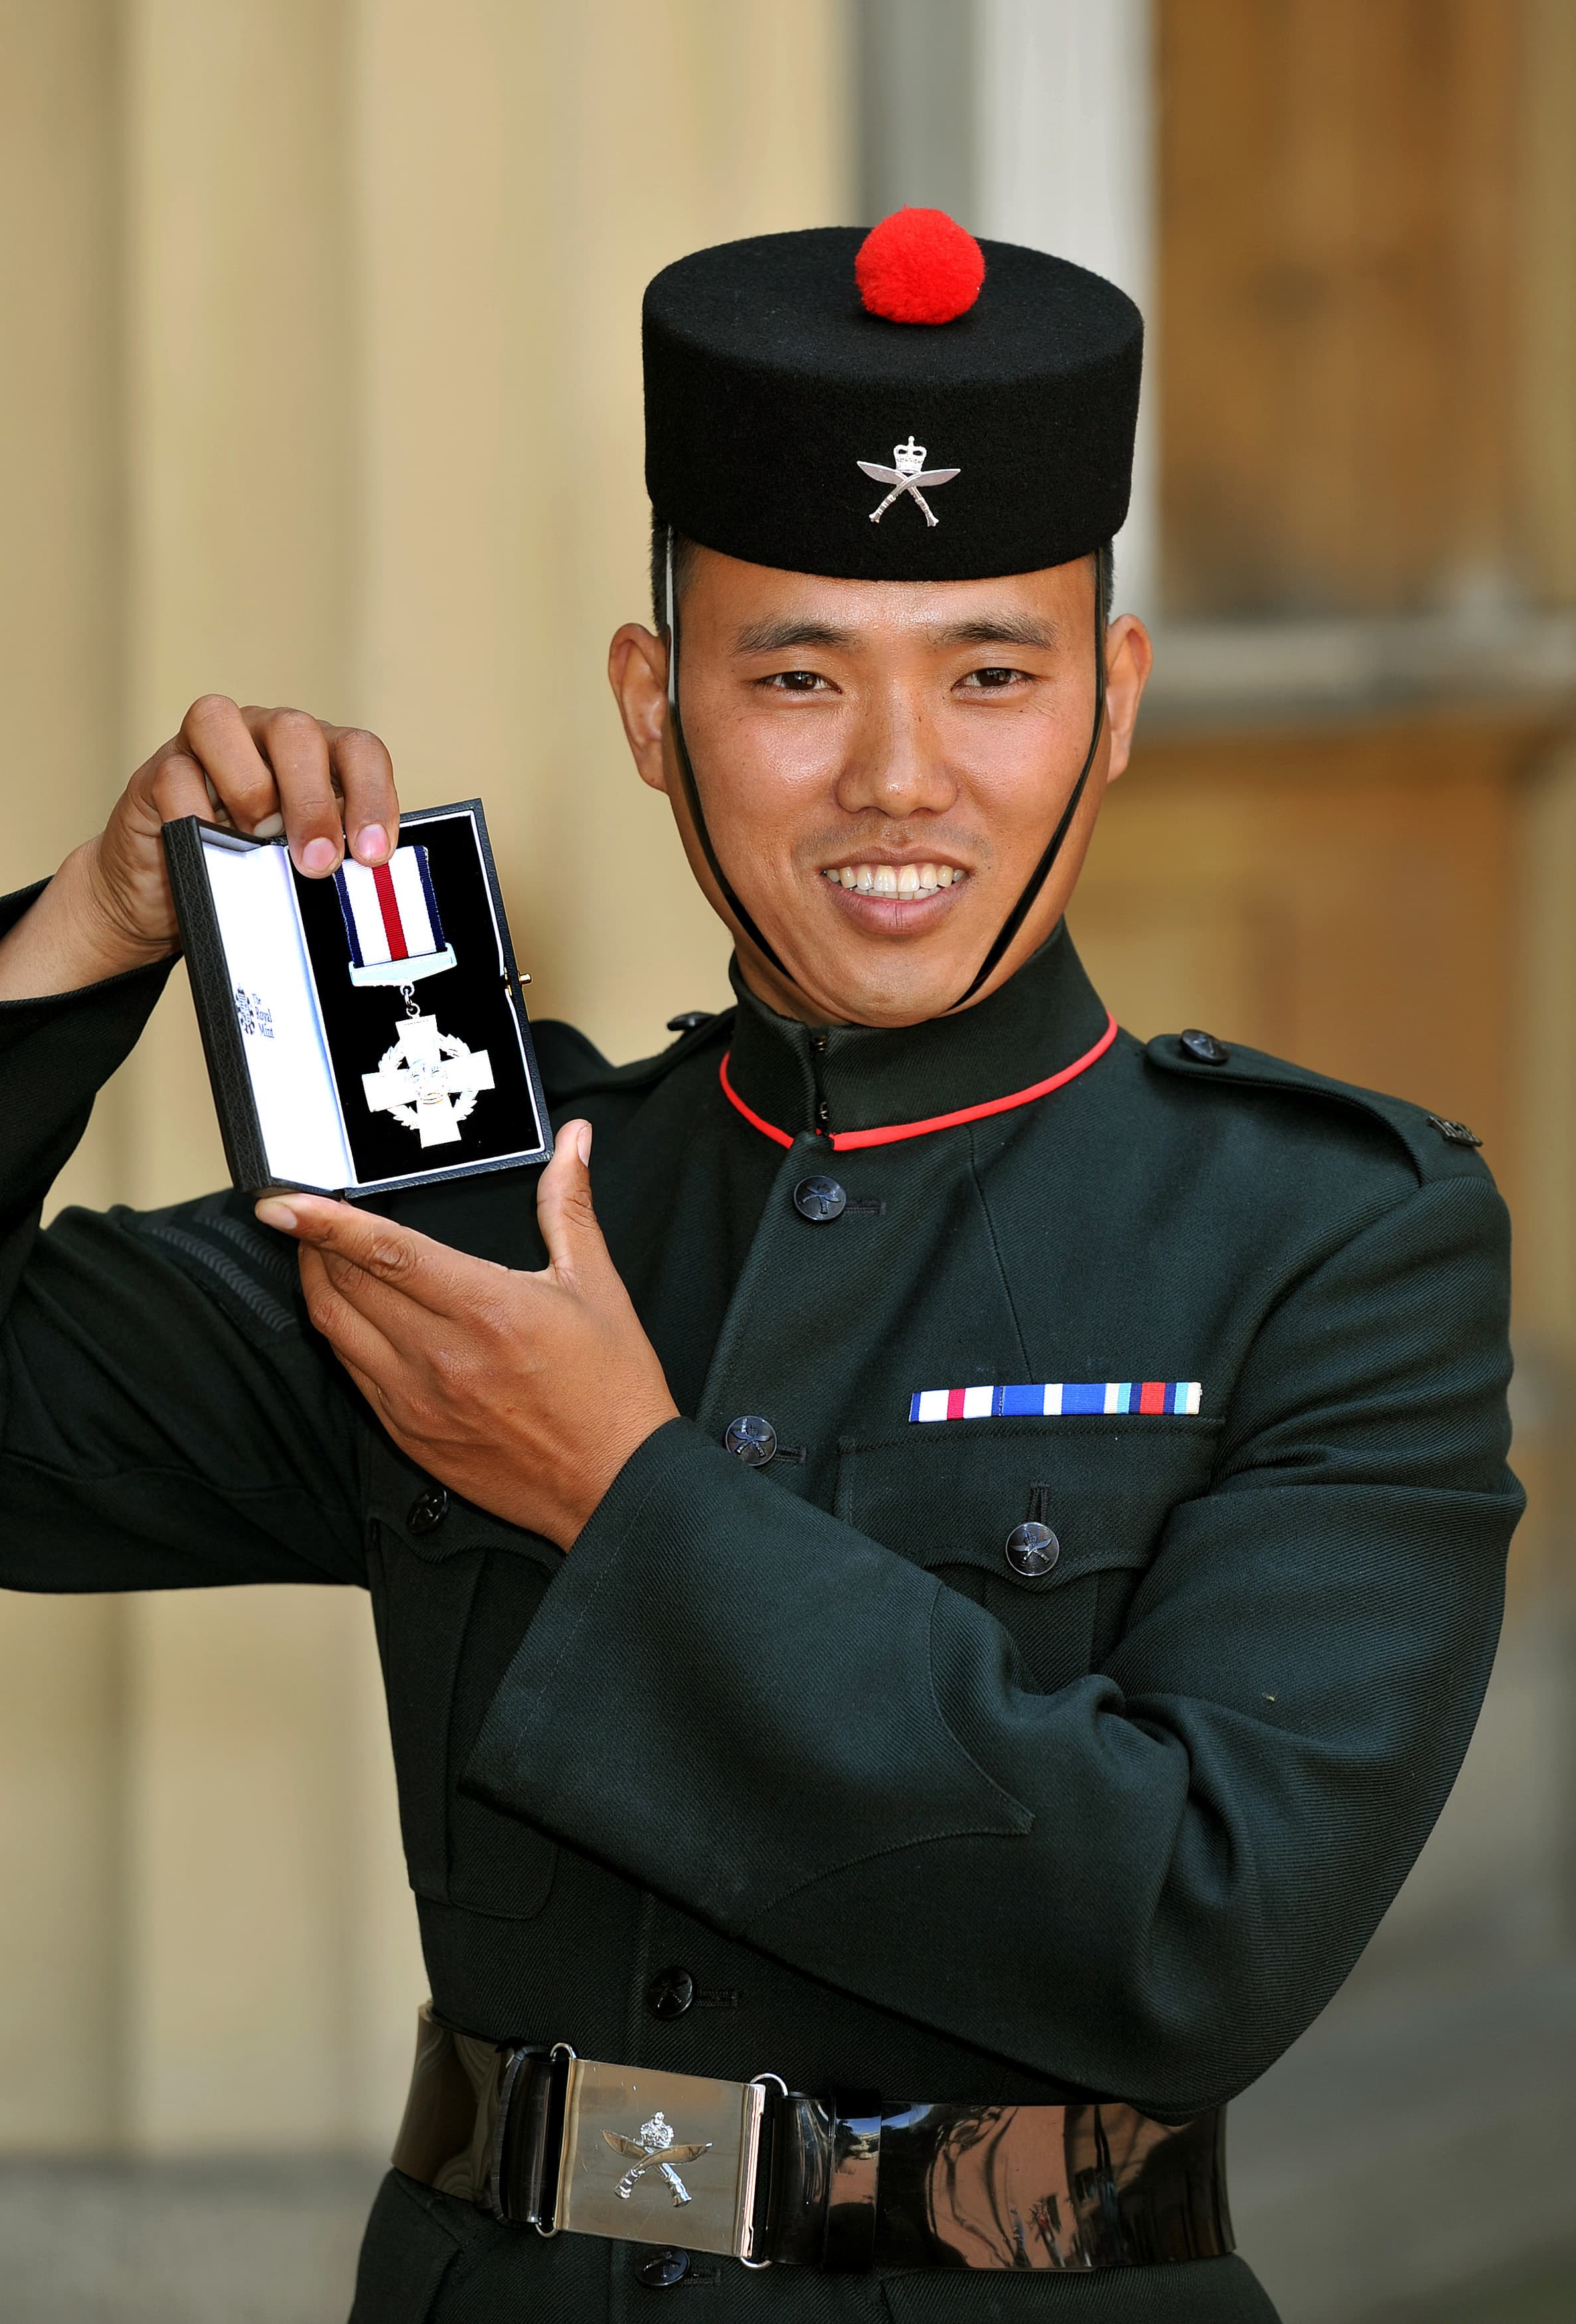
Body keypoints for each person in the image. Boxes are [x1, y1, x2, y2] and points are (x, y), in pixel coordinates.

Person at [0, 210, 1520, 2322]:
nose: (897, 776)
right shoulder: (481, 1214)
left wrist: (619, 1490)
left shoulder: (1330, 1240)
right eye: (795, 676)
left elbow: (1204, 1930)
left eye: (993, 672)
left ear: (1118, 698)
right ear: (652, 705)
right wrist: (68, 945)